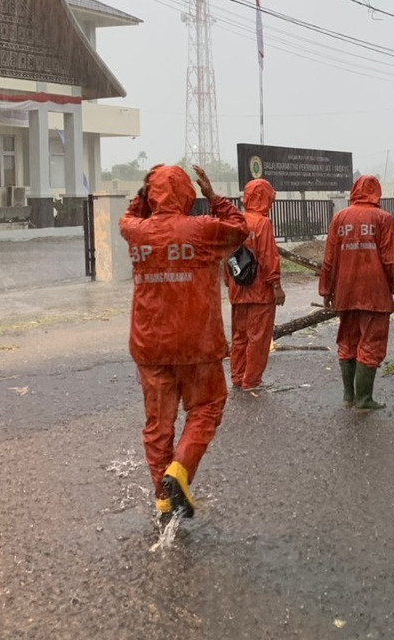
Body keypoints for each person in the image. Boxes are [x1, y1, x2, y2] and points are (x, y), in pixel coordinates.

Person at [120, 164, 248, 523]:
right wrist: (214, 196)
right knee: (206, 406)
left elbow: (130, 215)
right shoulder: (203, 230)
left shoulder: (136, 232)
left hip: (149, 343)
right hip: (197, 342)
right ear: (186, 193)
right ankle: (181, 470)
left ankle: (162, 498)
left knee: (158, 423)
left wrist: (144, 196)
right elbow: (241, 227)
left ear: (152, 194)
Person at [319, 175, 394, 410]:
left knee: (347, 342)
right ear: (376, 192)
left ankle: (349, 397)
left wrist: (326, 291)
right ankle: (364, 399)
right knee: (371, 343)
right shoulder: (383, 218)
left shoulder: (340, 218)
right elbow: (392, 259)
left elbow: (330, 258)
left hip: (345, 291)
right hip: (374, 293)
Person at [225, 178, 286, 391]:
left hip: (238, 291)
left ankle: (237, 376)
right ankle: (251, 381)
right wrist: (276, 286)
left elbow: (226, 256)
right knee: (258, 338)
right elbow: (269, 257)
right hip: (260, 292)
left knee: (239, 336)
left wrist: (229, 282)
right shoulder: (262, 224)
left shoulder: (235, 221)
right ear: (264, 198)